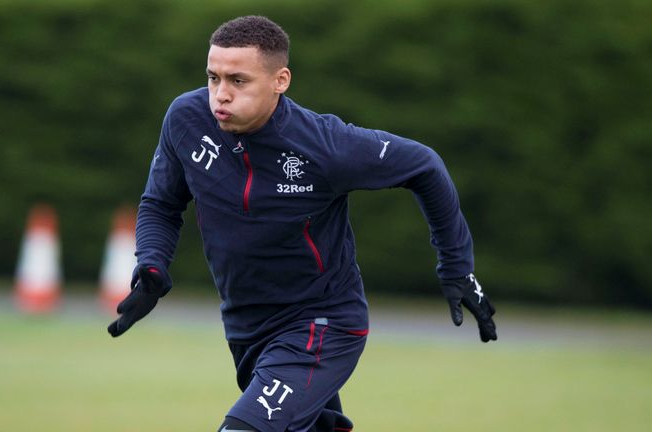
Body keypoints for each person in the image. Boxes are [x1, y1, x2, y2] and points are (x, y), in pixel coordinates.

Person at [107, 15, 497, 432]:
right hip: (245, 327)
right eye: (213, 77)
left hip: (322, 324)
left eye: (238, 81)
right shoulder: (186, 119)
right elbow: (161, 204)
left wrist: (456, 266)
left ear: (281, 80)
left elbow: (425, 166)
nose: (220, 95)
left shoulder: (325, 146)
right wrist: (150, 265)